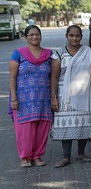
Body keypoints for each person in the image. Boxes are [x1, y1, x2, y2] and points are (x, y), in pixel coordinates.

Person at [50, 25, 91, 168]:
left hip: (85, 93)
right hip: (65, 95)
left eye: (77, 36)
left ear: (81, 37)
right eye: (71, 35)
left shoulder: (89, 53)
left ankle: (81, 153)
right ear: (66, 36)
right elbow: (54, 77)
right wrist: (53, 96)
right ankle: (66, 157)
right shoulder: (58, 54)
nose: (74, 38)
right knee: (66, 124)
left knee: (83, 122)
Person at [9, 25, 53, 167]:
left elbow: (54, 76)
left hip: (43, 98)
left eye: (37, 34)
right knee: (25, 130)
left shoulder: (48, 54)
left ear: (41, 36)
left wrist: (54, 96)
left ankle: (37, 156)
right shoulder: (18, 53)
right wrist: (14, 98)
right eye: (31, 35)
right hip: (23, 100)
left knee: (42, 128)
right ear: (26, 37)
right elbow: (12, 77)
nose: (34, 37)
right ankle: (26, 157)